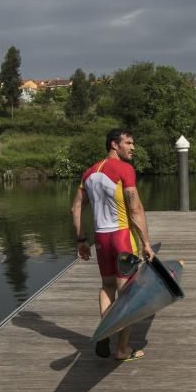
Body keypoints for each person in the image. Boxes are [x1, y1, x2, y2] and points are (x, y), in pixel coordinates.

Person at [71, 128, 155, 362]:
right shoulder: (124, 169)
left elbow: (75, 208)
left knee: (107, 286)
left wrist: (81, 240)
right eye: (128, 142)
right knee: (128, 294)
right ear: (114, 145)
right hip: (121, 238)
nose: (133, 147)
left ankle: (107, 328)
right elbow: (135, 209)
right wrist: (146, 243)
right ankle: (122, 349)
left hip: (101, 239)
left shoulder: (89, 173)